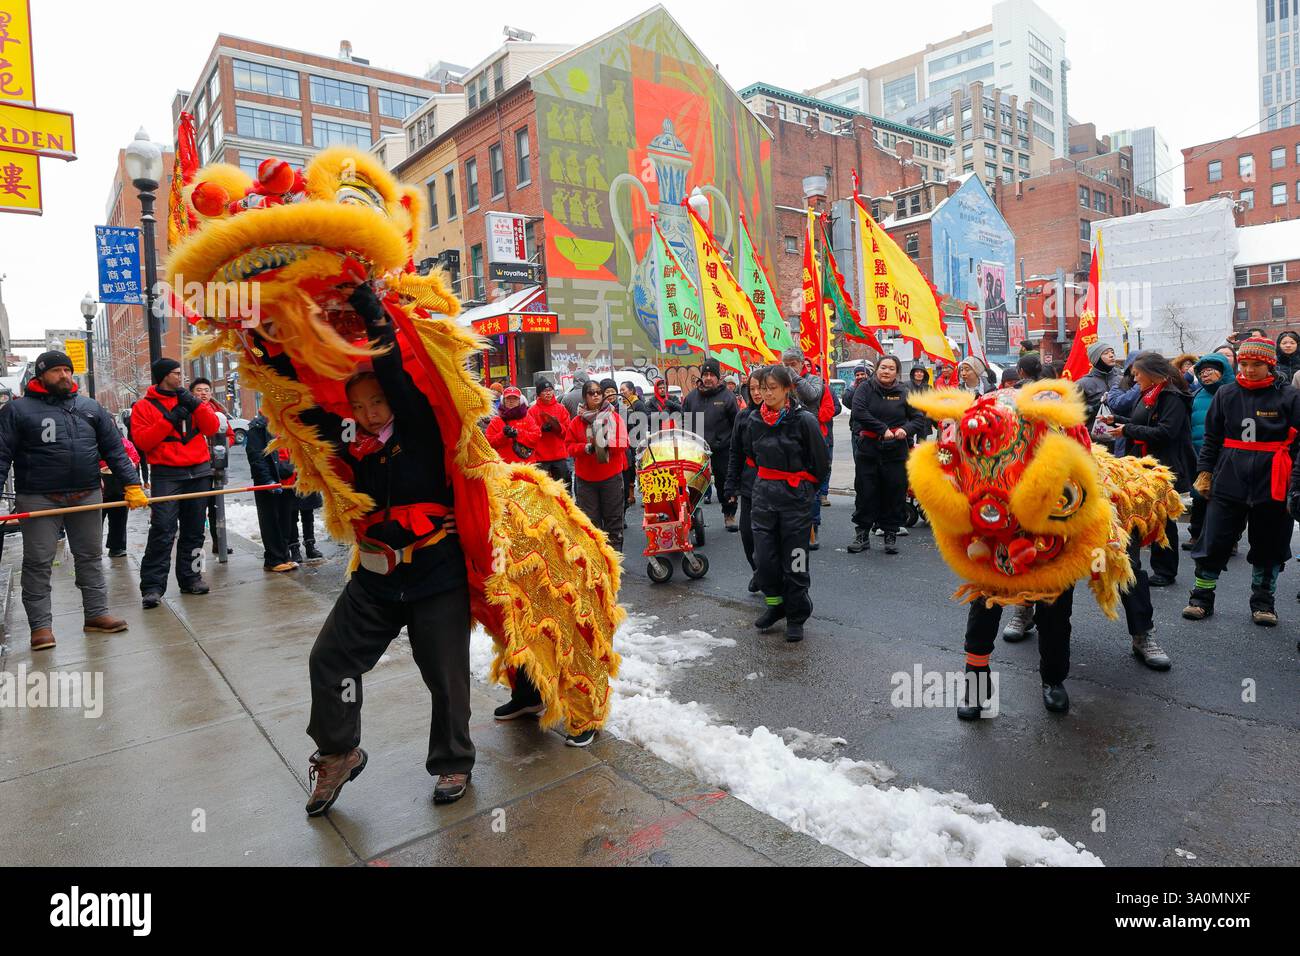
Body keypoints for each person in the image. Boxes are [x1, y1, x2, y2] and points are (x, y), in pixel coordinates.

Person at [305, 283, 475, 813]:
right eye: (361, 405)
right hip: (376, 580)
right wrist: (268, 340)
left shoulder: (419, 426)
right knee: (331, 660)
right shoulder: (352, 444)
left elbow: (395, 369)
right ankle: (338, 753)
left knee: (445, 675)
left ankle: (452, 761)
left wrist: (369, 306)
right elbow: (302, 401)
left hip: (435, 572)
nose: (372, 411)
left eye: (377, 400)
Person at [0, 351, 146, 650]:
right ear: (40, 376)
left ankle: (96, 614)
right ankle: (40, 627)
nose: (64, 375)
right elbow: (1, 455)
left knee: (90, 556)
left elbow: (115, 450)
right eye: (56, 371)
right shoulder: (17, 411)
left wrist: (132, 484)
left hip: (87, 493)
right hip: (39, 497)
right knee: (38, 562)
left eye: (67, 370)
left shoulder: (90, 408)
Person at [1185, 336, 1300, 626]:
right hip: (1230, 476)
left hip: (1273, 478)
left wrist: (1295, 485)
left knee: (1269, 544)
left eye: (1257, 365)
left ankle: (1263, 602)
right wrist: (1205, 472)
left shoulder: (1289, 396)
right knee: (1215, 538)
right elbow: (1211, 439)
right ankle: (1201, 598)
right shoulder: (1226, 394)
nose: (1249, 370)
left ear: (1270, 364)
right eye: (1245, 363)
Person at [746, 364, 830, 642]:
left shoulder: (804, 420)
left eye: (772, 388)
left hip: (795, 500)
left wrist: (806, 490)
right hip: (764, 497)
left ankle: (796, 614)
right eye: (762, 388)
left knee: (795, 561)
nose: (766, 394)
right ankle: (776, 606)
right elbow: (752, 456)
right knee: (765, 561)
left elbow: (821, 462)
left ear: (787, 389)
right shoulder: (754, 420)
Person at [130, 358, 221, 609]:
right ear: (163, 376)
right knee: (162, 530)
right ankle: (152, 586)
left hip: (199, 471)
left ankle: (192, 576)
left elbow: (211, 427)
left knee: (195, 531)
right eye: (175, 373)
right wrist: (170, 418)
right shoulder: (143, 406)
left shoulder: (192, 400)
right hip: (167, 474)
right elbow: (144, 442)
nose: (181, 376)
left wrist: (195, 405)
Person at [1107, 352, 1196, 590]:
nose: (1134, 379)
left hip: (1164, 466)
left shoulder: (1172, 398)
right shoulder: (1149, 394)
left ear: (1153, 374)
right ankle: (1144, 565)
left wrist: (1128, 430)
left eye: (1137, 374)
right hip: (1144, 465)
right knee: (1147, 515)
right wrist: (1116, 419)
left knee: (1163, 519)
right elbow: (1143, 422)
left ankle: (1166, 570)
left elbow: (1166, 432)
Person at [848, 355, 925, 555]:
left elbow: (918, 418)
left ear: (896, 372)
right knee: (866, 492)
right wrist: (882, 429)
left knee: (894, 493)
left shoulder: (904, 392)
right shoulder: (865, 388)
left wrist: (906, 430)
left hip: (896, 451)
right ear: (876, 368)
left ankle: (890, 534)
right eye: (883, 367)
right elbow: (859, 412)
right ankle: (862, 534)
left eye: (891, 368)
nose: (886, 371)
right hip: (869, 449)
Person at [566, 378, 629, 552]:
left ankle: (615, 559)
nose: (595, 396)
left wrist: (605, 444)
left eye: (598, 393)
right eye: (591, 393)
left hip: (611, 478)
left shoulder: (614, 417)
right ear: (584, 397)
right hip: (586, 480)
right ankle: (596, 560)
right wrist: (586, 448)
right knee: (590, 522)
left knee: (613, 520)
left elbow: (624, 443)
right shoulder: (576, 422)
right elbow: (569, 447)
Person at [781, 348, 837, 546]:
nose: (788, 369)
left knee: (810, 487)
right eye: (785, 365)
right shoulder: (781, 382)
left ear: (802, 363)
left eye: (792, 364)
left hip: (811, 439)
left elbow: (812, 396)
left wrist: (794, 377)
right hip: (787, 439)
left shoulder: (814, 380)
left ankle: (813, 526)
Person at [682, 359, 739, 531]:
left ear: (718, 377)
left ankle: (729, 514)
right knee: (691, 483)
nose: (708, 378)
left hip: (723, 449)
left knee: (725, 483)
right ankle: (689, 516)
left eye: (711, 375)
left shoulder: (727, 396)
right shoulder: (691, 398)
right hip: (697, 450)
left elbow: (736, 424)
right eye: (705, 374)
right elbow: (686, 423)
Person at [1184, 354, 1232, 553]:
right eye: (1202, 373)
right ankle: (1196, 535)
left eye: (1210, 371)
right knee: (1199, 496)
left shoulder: (1232, 393)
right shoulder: (1197, 394)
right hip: (1200, 453)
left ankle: (1229, 541)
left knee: (1226, 500)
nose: (1205, 376)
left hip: (1227, 455)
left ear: (1222, 372)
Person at [725, 368, 765, 593]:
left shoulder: (784, 414)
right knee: (747, 533)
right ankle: (757, 570)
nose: (757, 393)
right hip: (750, 483)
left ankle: (769, 577)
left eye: (761, 388)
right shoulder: (743, 416)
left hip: (777, 485)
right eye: (752, 389)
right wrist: (730, 485)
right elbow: (735, 452)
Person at [245, 412, 298, 573]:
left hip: (288, 480)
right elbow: (256, 456)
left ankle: (284, 555)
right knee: (271, 520)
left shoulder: (289, 421)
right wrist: (267, 480)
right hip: (269, 481)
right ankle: (273, 558)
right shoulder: (258, 426)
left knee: (285, 520)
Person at [191, 378, 235, 556]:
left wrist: (222, 446)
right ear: (192, 393)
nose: (203, 393)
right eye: (199, 390)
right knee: (198, 507)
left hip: (217, 465)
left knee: (217, 506)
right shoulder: (189, 411)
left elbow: (230, 435)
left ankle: (219, 543)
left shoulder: (219, 412)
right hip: (195, 466)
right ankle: (196, 547)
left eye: (206, 390)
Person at [525, 379, 572, 485]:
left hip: (560, 456)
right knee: (542, 489)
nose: (548, 393)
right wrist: (541, 429)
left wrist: (558, 427)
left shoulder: (561, 409)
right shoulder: (532, 411)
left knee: (564, 489)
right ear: (538, 394)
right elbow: (528, 433)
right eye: (545, 390)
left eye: (550, 390)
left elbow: (568, 431)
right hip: (540, 457)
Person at [485, 386, 541, 464]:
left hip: (526, 466)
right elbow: (489, 443)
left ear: (520, 401)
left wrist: (518, 433)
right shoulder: (496, 420)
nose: (511, 401)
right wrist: (503, 435)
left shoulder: (527, 417)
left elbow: (536, 436)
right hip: (504, 466)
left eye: (515, 398)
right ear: (503, 401)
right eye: (508, 398)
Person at [1079, 343, 1121, 430]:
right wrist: (1096, 407)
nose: (1111, 355)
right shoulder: (1083, 383)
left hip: (1122, 434)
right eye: (1106, 353)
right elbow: (1075, 412)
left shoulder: (1122, 379)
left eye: (1112, 352)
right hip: (1095, 435)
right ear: (1096, 358)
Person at [620, 380, 649, 507]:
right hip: (628, 443)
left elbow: (641, 425)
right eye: (620, 390)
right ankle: (631, 495)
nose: (621, 392)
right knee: (631, 469)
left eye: (623, 390)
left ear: (631, 391)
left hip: (639, 442)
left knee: (642, 469)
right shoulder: (623, 405)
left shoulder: (638, 405)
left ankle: (646, 496)